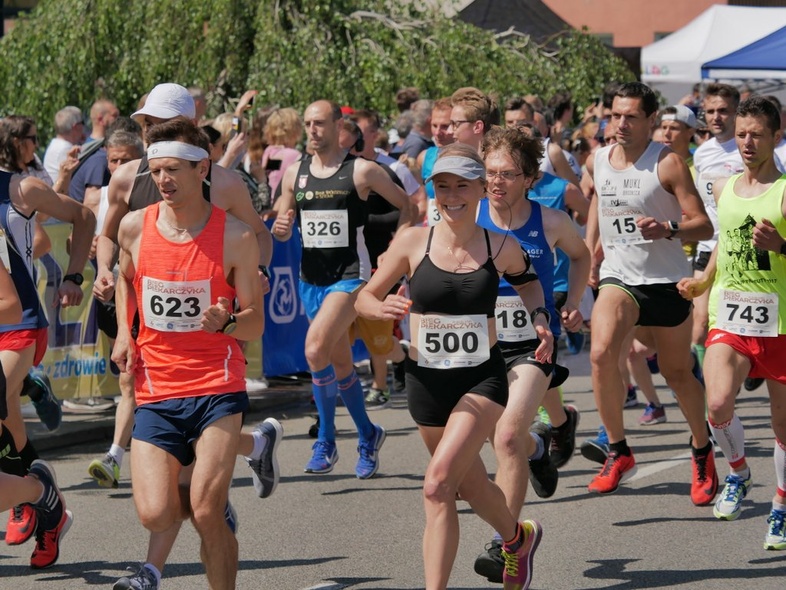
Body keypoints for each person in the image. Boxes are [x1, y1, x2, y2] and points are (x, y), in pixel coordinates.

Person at [92, 84, 279, 590]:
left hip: (216, 385)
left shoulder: (235, 236)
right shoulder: (134, 225)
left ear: (203, 170)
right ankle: (229, 485)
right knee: (155, 513)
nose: (163, 180)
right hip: (156, 385)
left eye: (173, 170)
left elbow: (256, 324)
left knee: (203, 507)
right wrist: (126, 335)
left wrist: (228, 322)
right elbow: (129, 275)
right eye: (156, 171)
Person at [356, 142, 552, 590]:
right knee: (468, 484)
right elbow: (365, 295)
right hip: (426, 380)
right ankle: (517, 539)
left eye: (461, 185)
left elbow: (531, 285)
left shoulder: (501, 245)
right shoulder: (411, 242)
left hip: (481, 378)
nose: (451, 195)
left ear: (482, 189)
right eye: (442, 186)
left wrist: (540, 317)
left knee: (437, 485)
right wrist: (378, 307)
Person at [584, 82, 716, 501]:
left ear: (651, 121)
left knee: (677, 373)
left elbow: (704, 224)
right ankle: (618, 450)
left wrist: (669, 228)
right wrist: (591, 252)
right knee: (602, 352)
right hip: (620, 276)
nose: (620, 124)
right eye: (615, 115)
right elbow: (598, 204)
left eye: (631, 117)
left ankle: (701, 447)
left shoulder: (669, 163)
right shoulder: (599, 158)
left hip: (666, 282)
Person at [472, 127, 589, 584]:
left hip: (532, 343)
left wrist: (574, 302)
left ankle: (506, 545)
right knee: (504, 441)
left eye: (507, 174)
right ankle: (539, 447)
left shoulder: (552, 222)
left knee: (504, 438)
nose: (496, 182)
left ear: (530, 178)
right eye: (490, 173)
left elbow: (580, 258)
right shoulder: (470, 216)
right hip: (479, 346)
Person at [272, 99, 413, 477]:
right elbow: (282, 217)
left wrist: (395, 253)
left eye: (319, 123)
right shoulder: (294, 174)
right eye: (307, 123)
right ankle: (368, 433)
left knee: (315, 349)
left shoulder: (363, 171)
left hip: (351, 276)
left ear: (338, 127)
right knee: (339, 363)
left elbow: (409, 206)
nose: (312, 130)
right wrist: (280, 228)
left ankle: (327, 440)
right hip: (310, 280)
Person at [677, 96, 786, 550]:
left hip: (780, 323)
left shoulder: (784, 191)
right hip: (732, 316)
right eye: (741, 133)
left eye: (756, 134)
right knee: (717, 404)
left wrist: (781, 245)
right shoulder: (722, 188)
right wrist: (703, 281)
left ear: (776, 136)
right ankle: (738, 472)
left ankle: (780, 507)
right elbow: (725, 241)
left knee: (783, 428)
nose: (746, 141)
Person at [0, 166, 94, 549]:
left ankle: (29, 496)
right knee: (10, 421)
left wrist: (74, 276)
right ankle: (39, 500)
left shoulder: (21, 189)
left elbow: (83, 216)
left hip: (18, 323)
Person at [692, 84, 744, 379]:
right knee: (699, 327)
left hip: (739, 250)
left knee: (733, 325)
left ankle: (735, 375)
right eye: (710, 111)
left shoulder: (749, 148)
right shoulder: (702, 154)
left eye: (723, 110)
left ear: (736, 112)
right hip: (706, 247)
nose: (716, 117)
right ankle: (710, 390)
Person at [417, 97, 454, 224]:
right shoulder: (424, 157)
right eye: (434, 125)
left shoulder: (473, 158)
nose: (438, 132)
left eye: (445, 126)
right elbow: (421, 201)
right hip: (434, 230)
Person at [43, 106, 85, 184]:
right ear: (75, 126)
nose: (83, 127)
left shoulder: (55, 144)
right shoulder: (65, 149)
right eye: (82, 122)